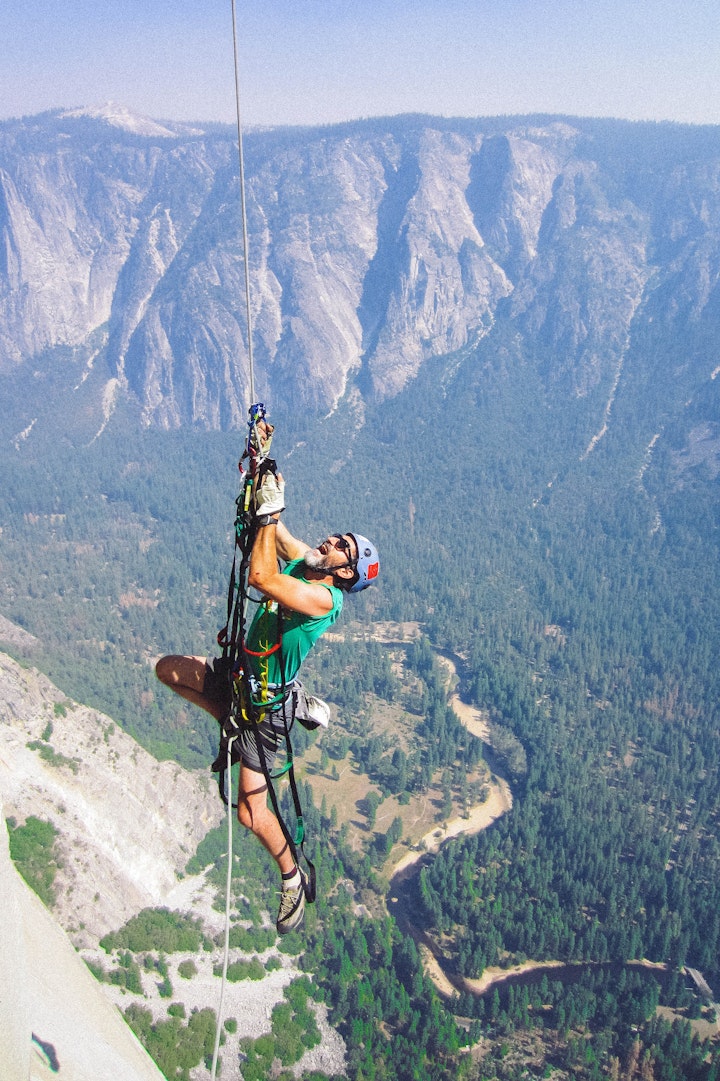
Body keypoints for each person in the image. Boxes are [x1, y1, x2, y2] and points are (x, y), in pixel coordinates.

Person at [155, 467, 379, 933]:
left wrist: (269, 512)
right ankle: (235, 722)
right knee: (169, 670)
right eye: (338, 536)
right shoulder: (312, 562)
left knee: (251, 813)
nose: (332, 541)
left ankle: (292, 876)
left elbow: (260, 576)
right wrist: (265, 475)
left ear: (346, 573)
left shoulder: (323, 598)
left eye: (342, 548)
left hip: (264, 711)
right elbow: (280, 539)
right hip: (243, 680)